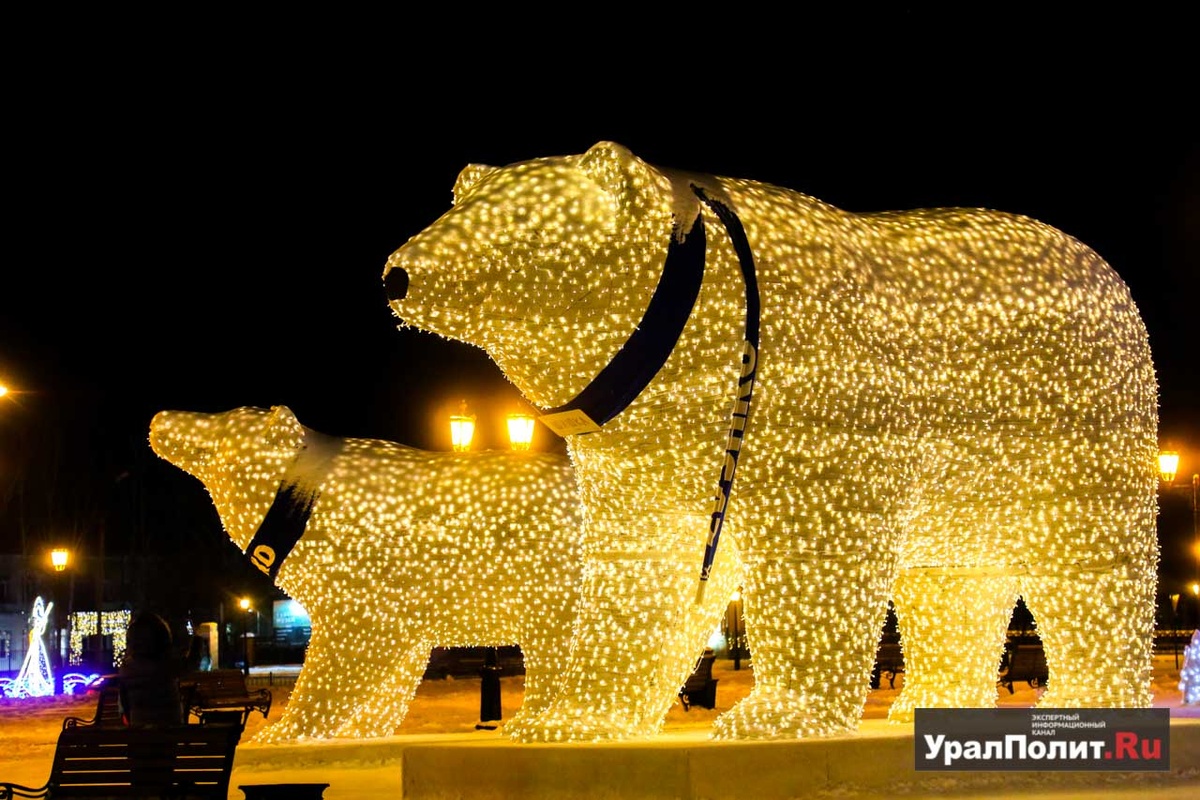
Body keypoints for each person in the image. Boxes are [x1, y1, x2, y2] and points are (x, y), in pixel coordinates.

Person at [118, 611, 184, 727]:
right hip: (170, 735)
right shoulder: (169, 667)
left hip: (140, 733)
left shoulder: (128, 669)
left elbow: (125, 705)